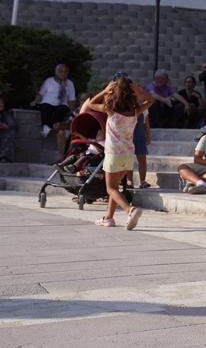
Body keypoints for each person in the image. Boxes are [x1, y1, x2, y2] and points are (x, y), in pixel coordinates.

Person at [84, 77, 154, 229]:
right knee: (115, 187)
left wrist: (104, 91)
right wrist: (139, 91)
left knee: (111, 188)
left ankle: (130, 210)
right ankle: (108, 218)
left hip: (114, 154)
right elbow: (150, 101)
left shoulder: (110, 109)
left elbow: (90, 104)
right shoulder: (135, 111)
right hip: (128, 153)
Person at [32, 63, 76, 153]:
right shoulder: (49, 81)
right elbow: (41, 93)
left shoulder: (69, 83)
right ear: (56, 72)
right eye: (61, 71)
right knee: (46, 108)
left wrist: (72, 110)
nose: (63, 73)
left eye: (65, 72)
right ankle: (47, 126)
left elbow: (72, 98)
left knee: (63, 109)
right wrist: (35, 101)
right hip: (47, 102)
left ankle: (49, 126)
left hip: (61, 104)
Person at [130, 109, 152, 189]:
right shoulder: (125, 105)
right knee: (129, 160)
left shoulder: (144, 108)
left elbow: (146, 123)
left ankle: (143, 181)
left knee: (142, 159)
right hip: (128, 137)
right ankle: (130, 181)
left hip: (139, 136)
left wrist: (149, 135)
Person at [0, 95, 16, 162]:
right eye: (0, 102)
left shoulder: (6, 113)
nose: (1, 104)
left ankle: (3, 157)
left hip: (3, 133)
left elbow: (13, 124)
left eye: (2, 102)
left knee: (10, 133)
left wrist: (6, 126)